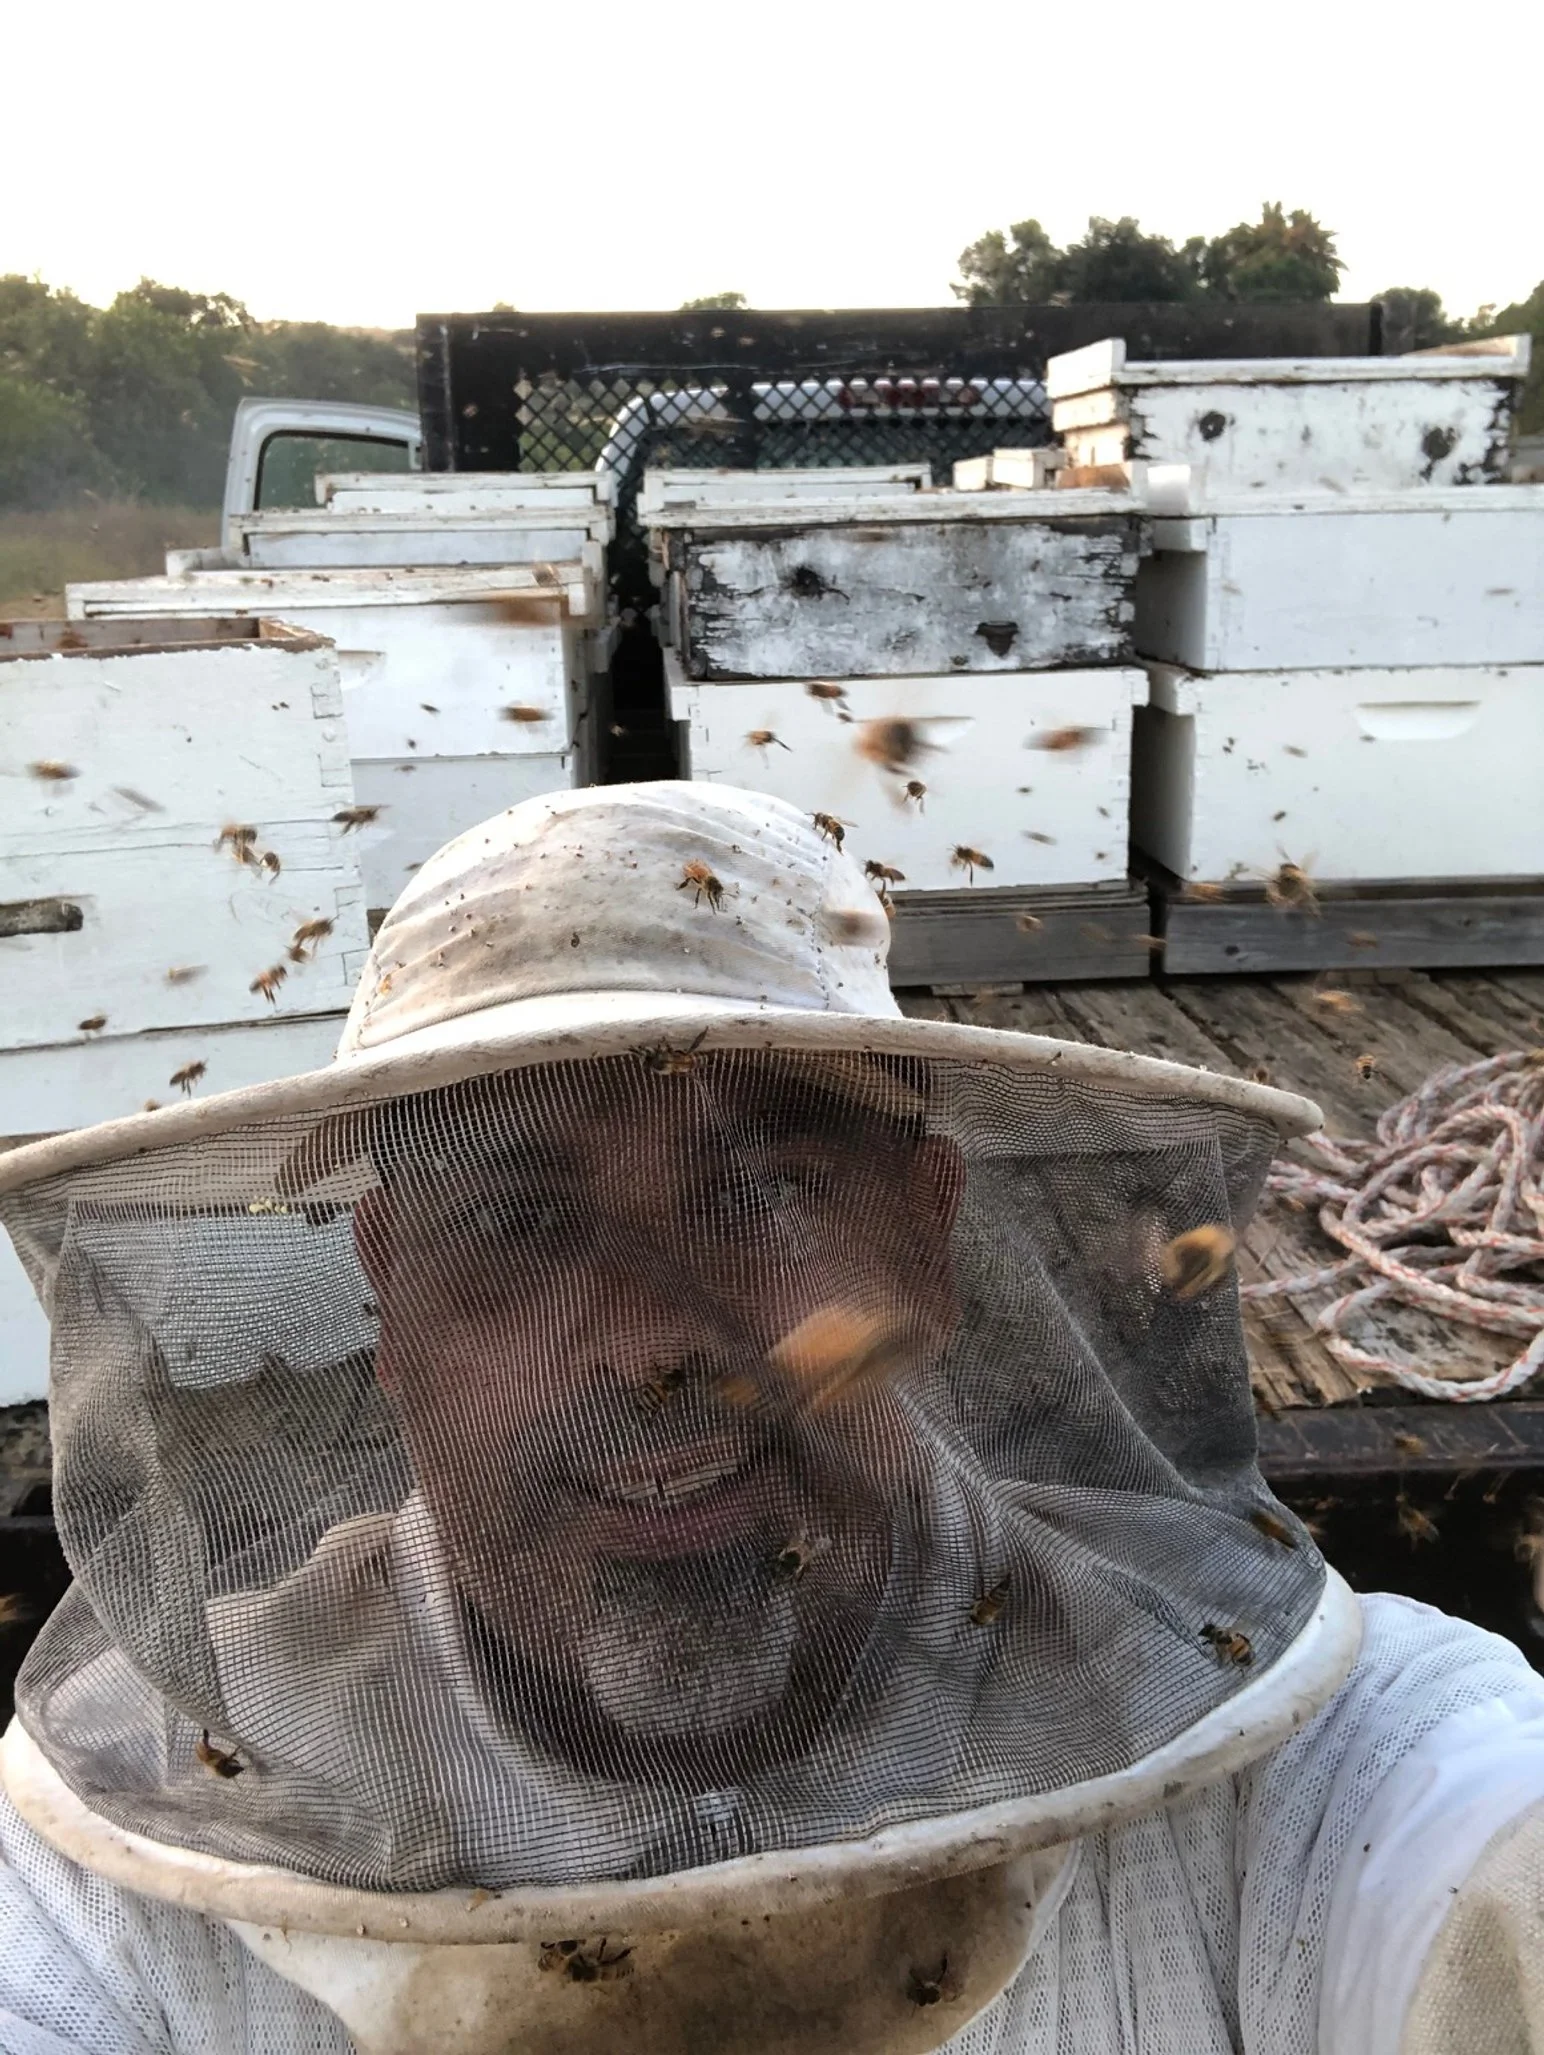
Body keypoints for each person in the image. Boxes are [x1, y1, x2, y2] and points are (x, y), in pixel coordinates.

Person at [2, 780, 1544, 2055]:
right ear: (388, 1303)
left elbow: (1479, 1841)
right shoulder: (134, 1858)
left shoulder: (1322, 1773)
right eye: (520, 1223)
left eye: (763, 1195)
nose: (652, 1338)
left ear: (927, 1241)